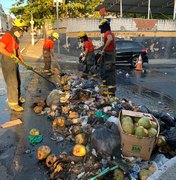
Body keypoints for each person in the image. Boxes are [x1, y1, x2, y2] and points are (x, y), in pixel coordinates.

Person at [0, 19, 32, 112]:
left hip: (14, 61)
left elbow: (18, 52)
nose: (22, 33)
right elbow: (0, 48)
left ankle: (17, 98)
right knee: (12, 83)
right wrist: (11, 55)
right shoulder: (7, 36)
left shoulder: (15, 38)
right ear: (16, 29)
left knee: (18, 80)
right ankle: (13, 103)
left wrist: (25, 64)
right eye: (22, 30)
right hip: (7, 62)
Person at [98, 19, 116, 94]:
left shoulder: (107, 33)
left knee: (109, 71)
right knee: (107, 70)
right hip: (109, 53)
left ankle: (110, 91)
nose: (100, 29)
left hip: (109, 54)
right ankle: (107, 88)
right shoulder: (110, 33)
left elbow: (110, 39)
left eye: (101, 27)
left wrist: (104, 49)